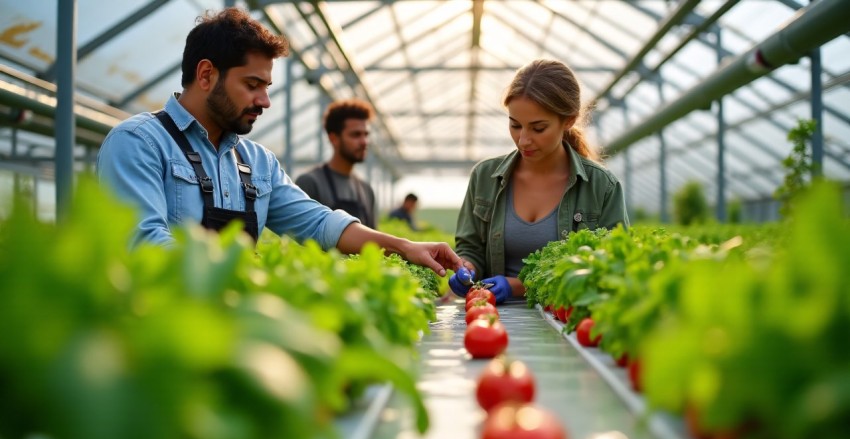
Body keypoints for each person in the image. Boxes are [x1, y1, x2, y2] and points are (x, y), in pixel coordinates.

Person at [96, 7, 461, 277]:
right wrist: (259, 284)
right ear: (206, 74)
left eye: (266, 88)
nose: (264, 101)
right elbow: (144, 243)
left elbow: (320, 224)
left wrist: (403, 246)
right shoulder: (139, 143)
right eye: (252, 85)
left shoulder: (257, 162)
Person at [449, 59, 629, 304]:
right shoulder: (484, 177)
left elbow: (608, 268)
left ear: (568, 120)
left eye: (538, 128)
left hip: (567, 320)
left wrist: (519, 286)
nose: (523, 140)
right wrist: (467, 267)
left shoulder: (601, 186)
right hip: (490, 318)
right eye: (515, 125)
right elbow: (470, 247)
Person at [295, 99, 377, 228]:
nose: (364, 142)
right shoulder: (310, 182)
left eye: (366, 134)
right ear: (334, 139)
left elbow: (373, 244)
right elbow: (296, 238)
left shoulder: (366, 189)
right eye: (356, 135)